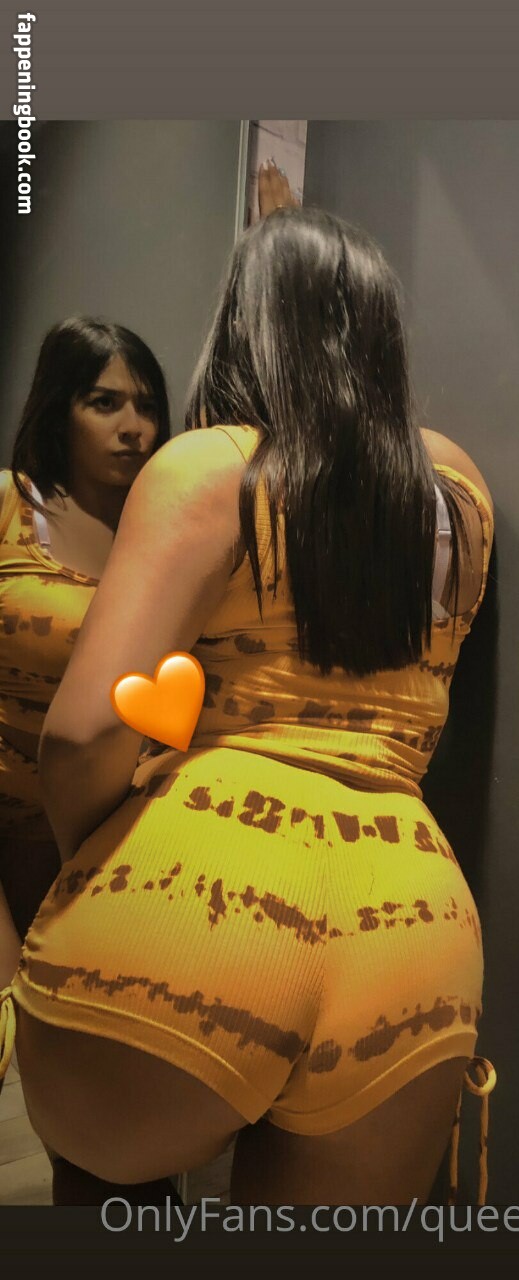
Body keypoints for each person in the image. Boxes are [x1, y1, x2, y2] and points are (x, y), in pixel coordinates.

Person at [1, 196, 496, 1206]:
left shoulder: (211, 465)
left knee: (112, 1208)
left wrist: (99, 863)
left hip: (194, 897)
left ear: (246, 322)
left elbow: (86, 733)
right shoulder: (456, 486)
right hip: (412, 926)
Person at [0, 316, 174, 1203]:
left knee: (118, 1132)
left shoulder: (170, 529)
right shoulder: (11, 505)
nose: (132, 427)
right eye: (104, 403)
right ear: (57, 409)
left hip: (125, 859)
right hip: (15, 846)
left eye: (146, 406)